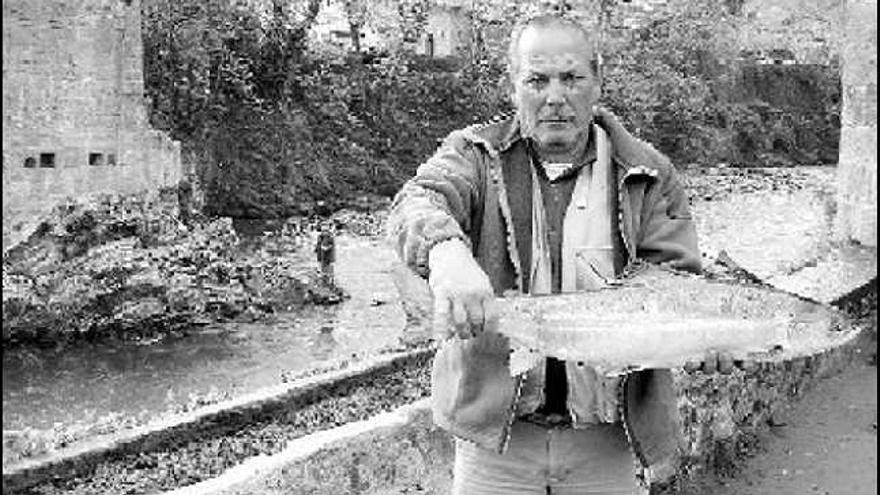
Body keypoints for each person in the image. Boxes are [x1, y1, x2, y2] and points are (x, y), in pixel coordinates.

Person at [386, 12, 737, 495]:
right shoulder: (472, 154)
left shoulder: (651, 174)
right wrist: (446, 251)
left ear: (597, 84)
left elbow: (674, 278)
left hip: (609, 439)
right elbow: (417, 200)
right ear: (514, 88)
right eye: (537, 80)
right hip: (495, 444)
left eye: (572, 78)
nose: (555, 96)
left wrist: (699, 338)